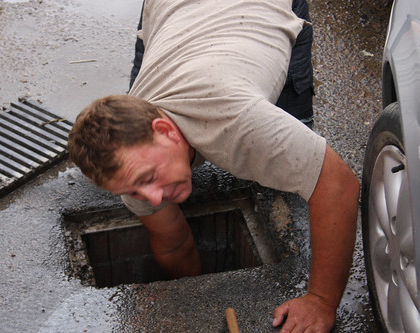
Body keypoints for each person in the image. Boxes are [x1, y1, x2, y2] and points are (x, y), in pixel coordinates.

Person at [68, 0, 359, 331]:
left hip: (259, 7)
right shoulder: (131, 162)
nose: (149, 198)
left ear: (163, 130)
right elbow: (173, 242)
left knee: (295, 157)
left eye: (148, 178)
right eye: (133, 189)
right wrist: (191, 304)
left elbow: (337, 185)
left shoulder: (239, 123)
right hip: (172, 8)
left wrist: (321, 300)